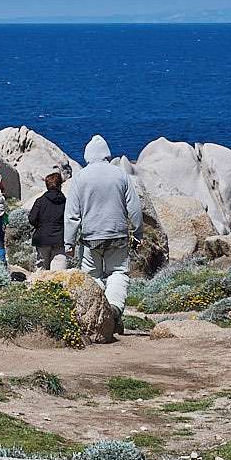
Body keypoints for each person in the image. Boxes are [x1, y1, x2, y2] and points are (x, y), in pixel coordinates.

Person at [64, 135, 142, 328]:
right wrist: (138, 233)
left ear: (87, 155)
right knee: (118, 273)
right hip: (118, 235)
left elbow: (72, 215)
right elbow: (134, 208)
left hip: (91, 237)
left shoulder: (81, 177)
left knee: (92, 276)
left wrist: (69, 243)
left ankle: (98, 313)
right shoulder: (120, 174)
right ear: (107, 154)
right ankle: (114, 308)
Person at [28, 172, 68, 270]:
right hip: (60, 238)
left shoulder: (40, 201)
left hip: (42, 238)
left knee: (42, 270)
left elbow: (32, 219)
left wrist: (40, 226)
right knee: (59, 272)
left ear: (47, 186)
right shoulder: (66, 202)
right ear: (60, 185)